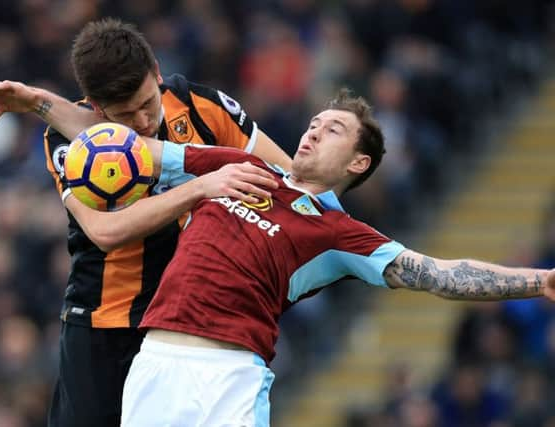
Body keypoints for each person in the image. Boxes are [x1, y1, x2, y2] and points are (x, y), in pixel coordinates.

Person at [57, 88, 554, 426]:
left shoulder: (339, 233)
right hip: (156, 359)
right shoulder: (240, 166)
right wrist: (39, 105)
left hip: (226, 375)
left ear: (358, 163)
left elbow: (437, 274)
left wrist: (540, 281)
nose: (313, 131)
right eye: (315, 123)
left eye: (333, 129)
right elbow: (129, 150)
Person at [0, 18, 291, 427]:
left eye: (147, 104)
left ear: (156, 72)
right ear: (96, 107)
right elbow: (105, 232)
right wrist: (200, 187)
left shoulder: (201, 106)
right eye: (124, 115)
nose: (141, 121)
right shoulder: (69, 140)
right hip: (104, 326)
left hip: (186, 324)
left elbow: (288, 177)